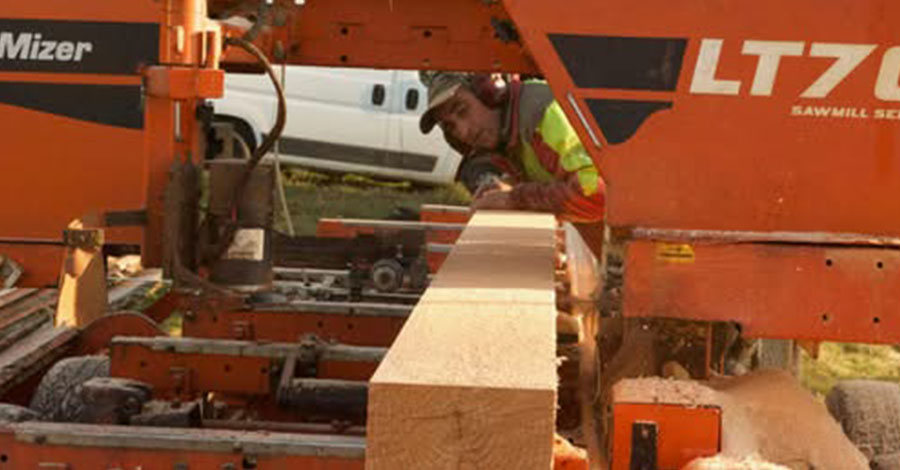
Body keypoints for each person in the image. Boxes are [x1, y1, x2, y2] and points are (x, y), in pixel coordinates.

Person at [419, 73, 606, 230]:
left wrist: (514, 199)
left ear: (491, 92)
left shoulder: (542, 113)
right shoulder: (509, 135)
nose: (463, 131)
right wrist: (509, 188)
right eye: (450, 127)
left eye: (462, 110)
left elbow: (595, 194)